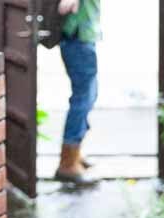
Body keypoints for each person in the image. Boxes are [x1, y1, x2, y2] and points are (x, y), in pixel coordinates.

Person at [54, 0, 100, 185]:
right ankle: (68, 162)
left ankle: (75, 153)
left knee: (89, 95)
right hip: (77, 37)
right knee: (82, 98)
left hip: (84, 36)